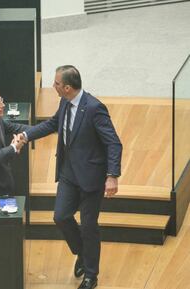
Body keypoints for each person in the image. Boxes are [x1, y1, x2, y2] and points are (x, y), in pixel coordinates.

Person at [21, 65, 122, 289]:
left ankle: (90, 275)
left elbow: (113, 142)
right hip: (68, 173)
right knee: (61, 216)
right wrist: (27, 135)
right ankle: (83, 253)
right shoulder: (65, 101)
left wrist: (112, 175)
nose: (52, 86)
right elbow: (53, 124)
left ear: (67, 87)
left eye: (56, 83)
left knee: (88, 226)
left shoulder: (94, 108)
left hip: (91, 178)